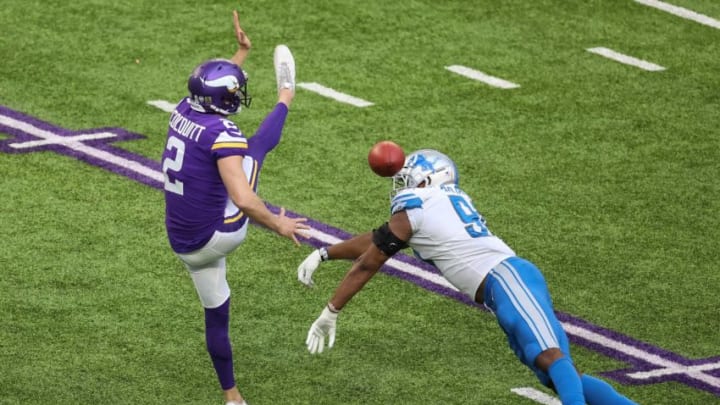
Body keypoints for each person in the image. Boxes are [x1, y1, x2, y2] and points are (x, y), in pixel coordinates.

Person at [297, 149, 637, 405]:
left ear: (427, 179)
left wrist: (331, 311)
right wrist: (325, 252)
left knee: (551, 358)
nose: (402, 185)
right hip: (501, 286)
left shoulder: (418, 205)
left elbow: (369, 263)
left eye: (408, 177)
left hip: (506, 278)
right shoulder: (435, 203)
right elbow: (377, 239)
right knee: (555, 374)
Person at [161, 10, 308, 405]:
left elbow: (211, 91)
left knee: (217, 312)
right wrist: (278, 224)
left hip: (182, 240)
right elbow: (243, 200)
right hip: (218, 234)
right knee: (255, 149)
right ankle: (287, 94)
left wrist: (239, 55)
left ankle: (233, 397)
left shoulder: (183, 109)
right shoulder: (221, 132)